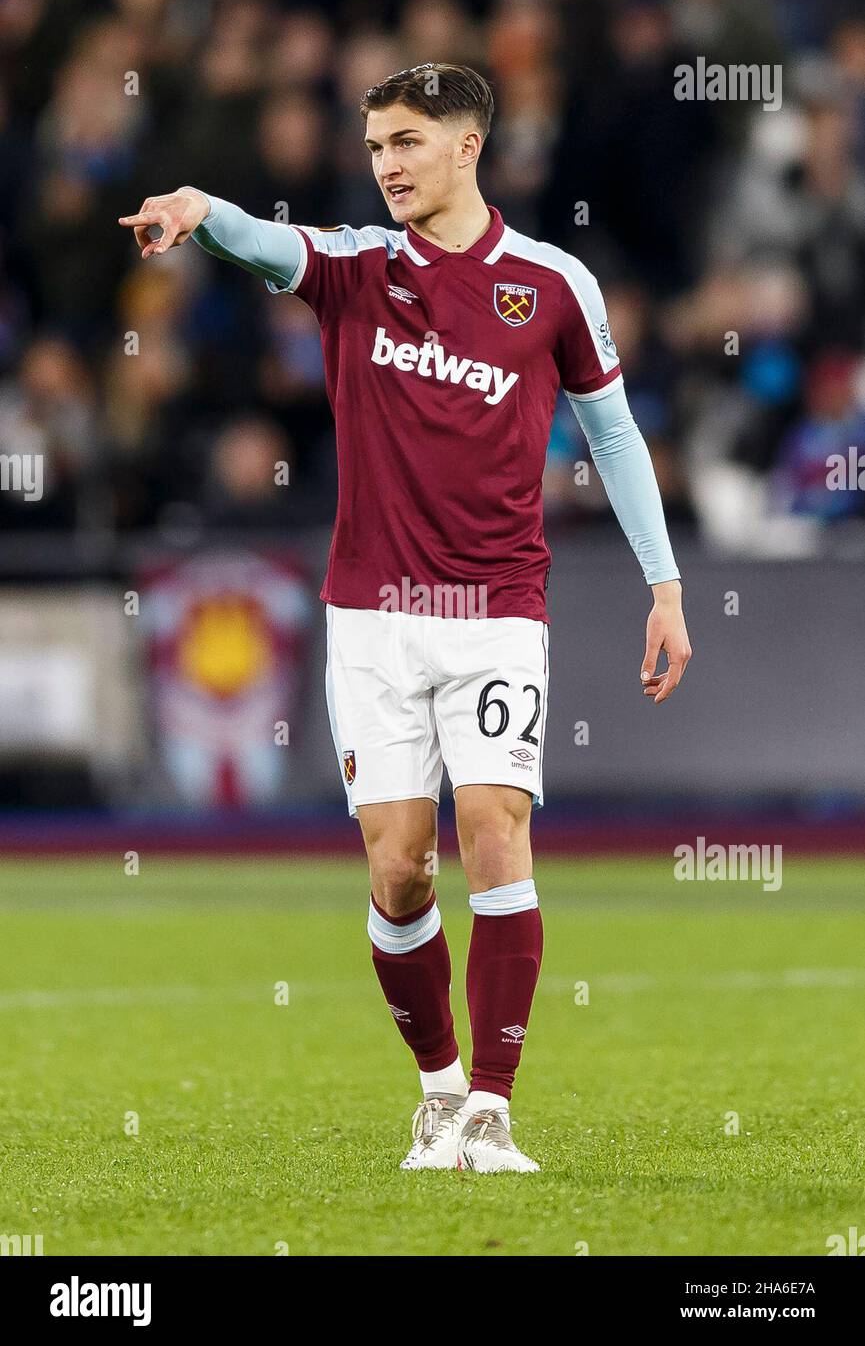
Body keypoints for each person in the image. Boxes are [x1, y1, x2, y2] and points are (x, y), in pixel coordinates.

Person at [119, 62, 692, 1173]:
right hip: (373, 612)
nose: (386, 164)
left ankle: (490, 1105)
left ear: (467, 147)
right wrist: (198, 210)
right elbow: (263, 240)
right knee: (400, 869)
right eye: (376, 144)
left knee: (494, 827)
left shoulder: (551, 283)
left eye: (407, 143)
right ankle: (435, 1088)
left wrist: (664, 586)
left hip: (495, 607)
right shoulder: (355, 265)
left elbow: (613, 436)